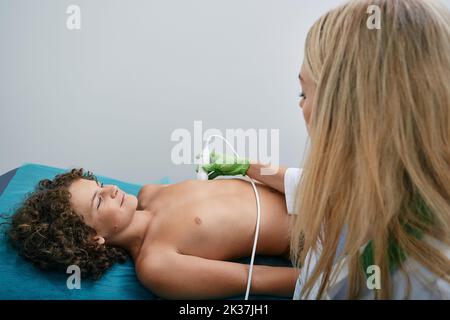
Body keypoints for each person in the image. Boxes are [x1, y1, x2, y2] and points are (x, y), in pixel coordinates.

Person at [201, 0, 450, 299]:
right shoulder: (365, 191)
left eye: (304, 92)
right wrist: (244, 167)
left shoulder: (424, 282)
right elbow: (308, 183)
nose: (300, 106)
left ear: (351, 107)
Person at [7, 168, 298, 299]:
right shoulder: (156, 264)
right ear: (92, 239)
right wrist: (334, 281)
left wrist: (249, 167)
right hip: (318, 239)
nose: (110, 189)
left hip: (319, 194)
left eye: (98, 185)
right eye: (99, 201)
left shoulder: (152, 193)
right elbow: (254, 279)